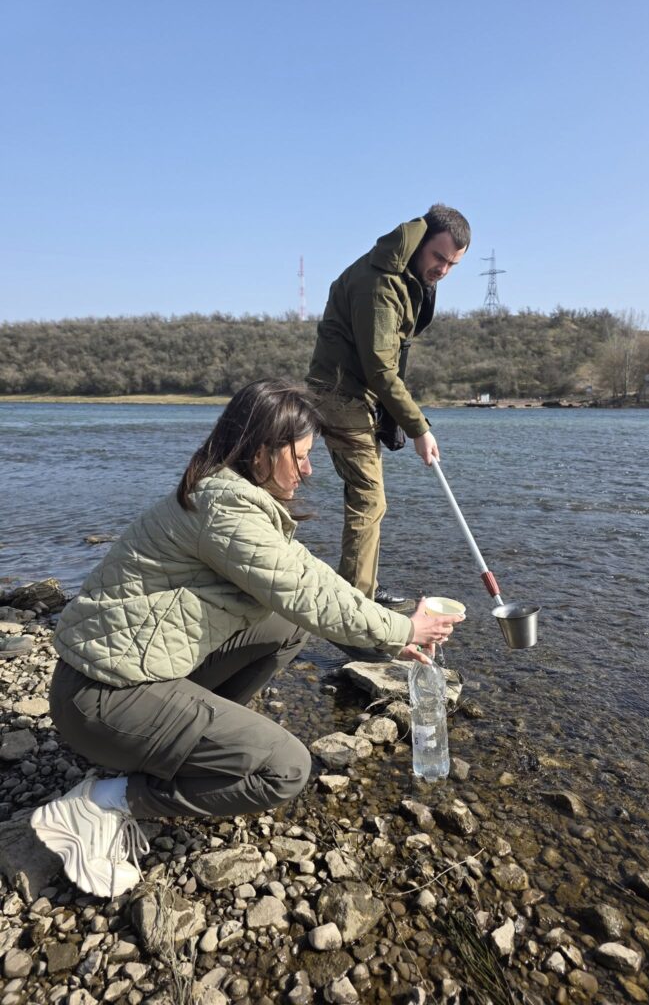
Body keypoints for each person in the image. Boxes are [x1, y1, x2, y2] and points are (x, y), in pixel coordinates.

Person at [30, 380, 464, 899]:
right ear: (261, 451)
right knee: (285, 769)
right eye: (300, 456)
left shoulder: (230, 496)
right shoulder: (226, 510)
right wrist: (406, 628)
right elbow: (305, 591)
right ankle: (103, 802)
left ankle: (192, 749)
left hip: (114, 681)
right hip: (101, 700)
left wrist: (392, 635)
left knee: (285, 625)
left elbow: (310, 579)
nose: (308, 470)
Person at [306, 203, 470, 618]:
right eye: (438, 257)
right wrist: (418, 428)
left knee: (370, 498)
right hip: (340, 396)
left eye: (452, 265)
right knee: (368, 498)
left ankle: (363, 590)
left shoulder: (406, 274)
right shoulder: (379, 283)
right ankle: (355, 610)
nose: (443, 270)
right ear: (421, 241)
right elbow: (380, 367)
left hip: (358, 396)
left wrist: (393, 414)